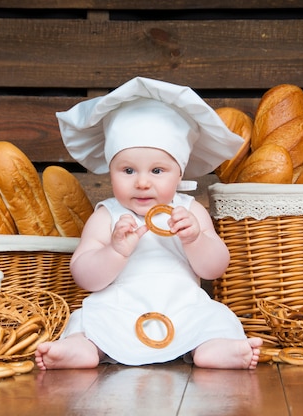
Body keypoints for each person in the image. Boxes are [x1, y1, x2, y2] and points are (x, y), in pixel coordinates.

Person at [35, 77, 263, 370]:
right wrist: (115, 251)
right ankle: (82, 350)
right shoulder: (107, 216)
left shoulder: (189, 210)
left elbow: (215, 268)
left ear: (179, 174)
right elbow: (85, 277)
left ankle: (215, 348)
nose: (142, 182)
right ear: (110, 171)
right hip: (119, 307)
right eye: (128, 170)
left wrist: (195, 239)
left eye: (157, 170)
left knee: (212, 318)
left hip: (183, 306)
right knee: (89, 321)